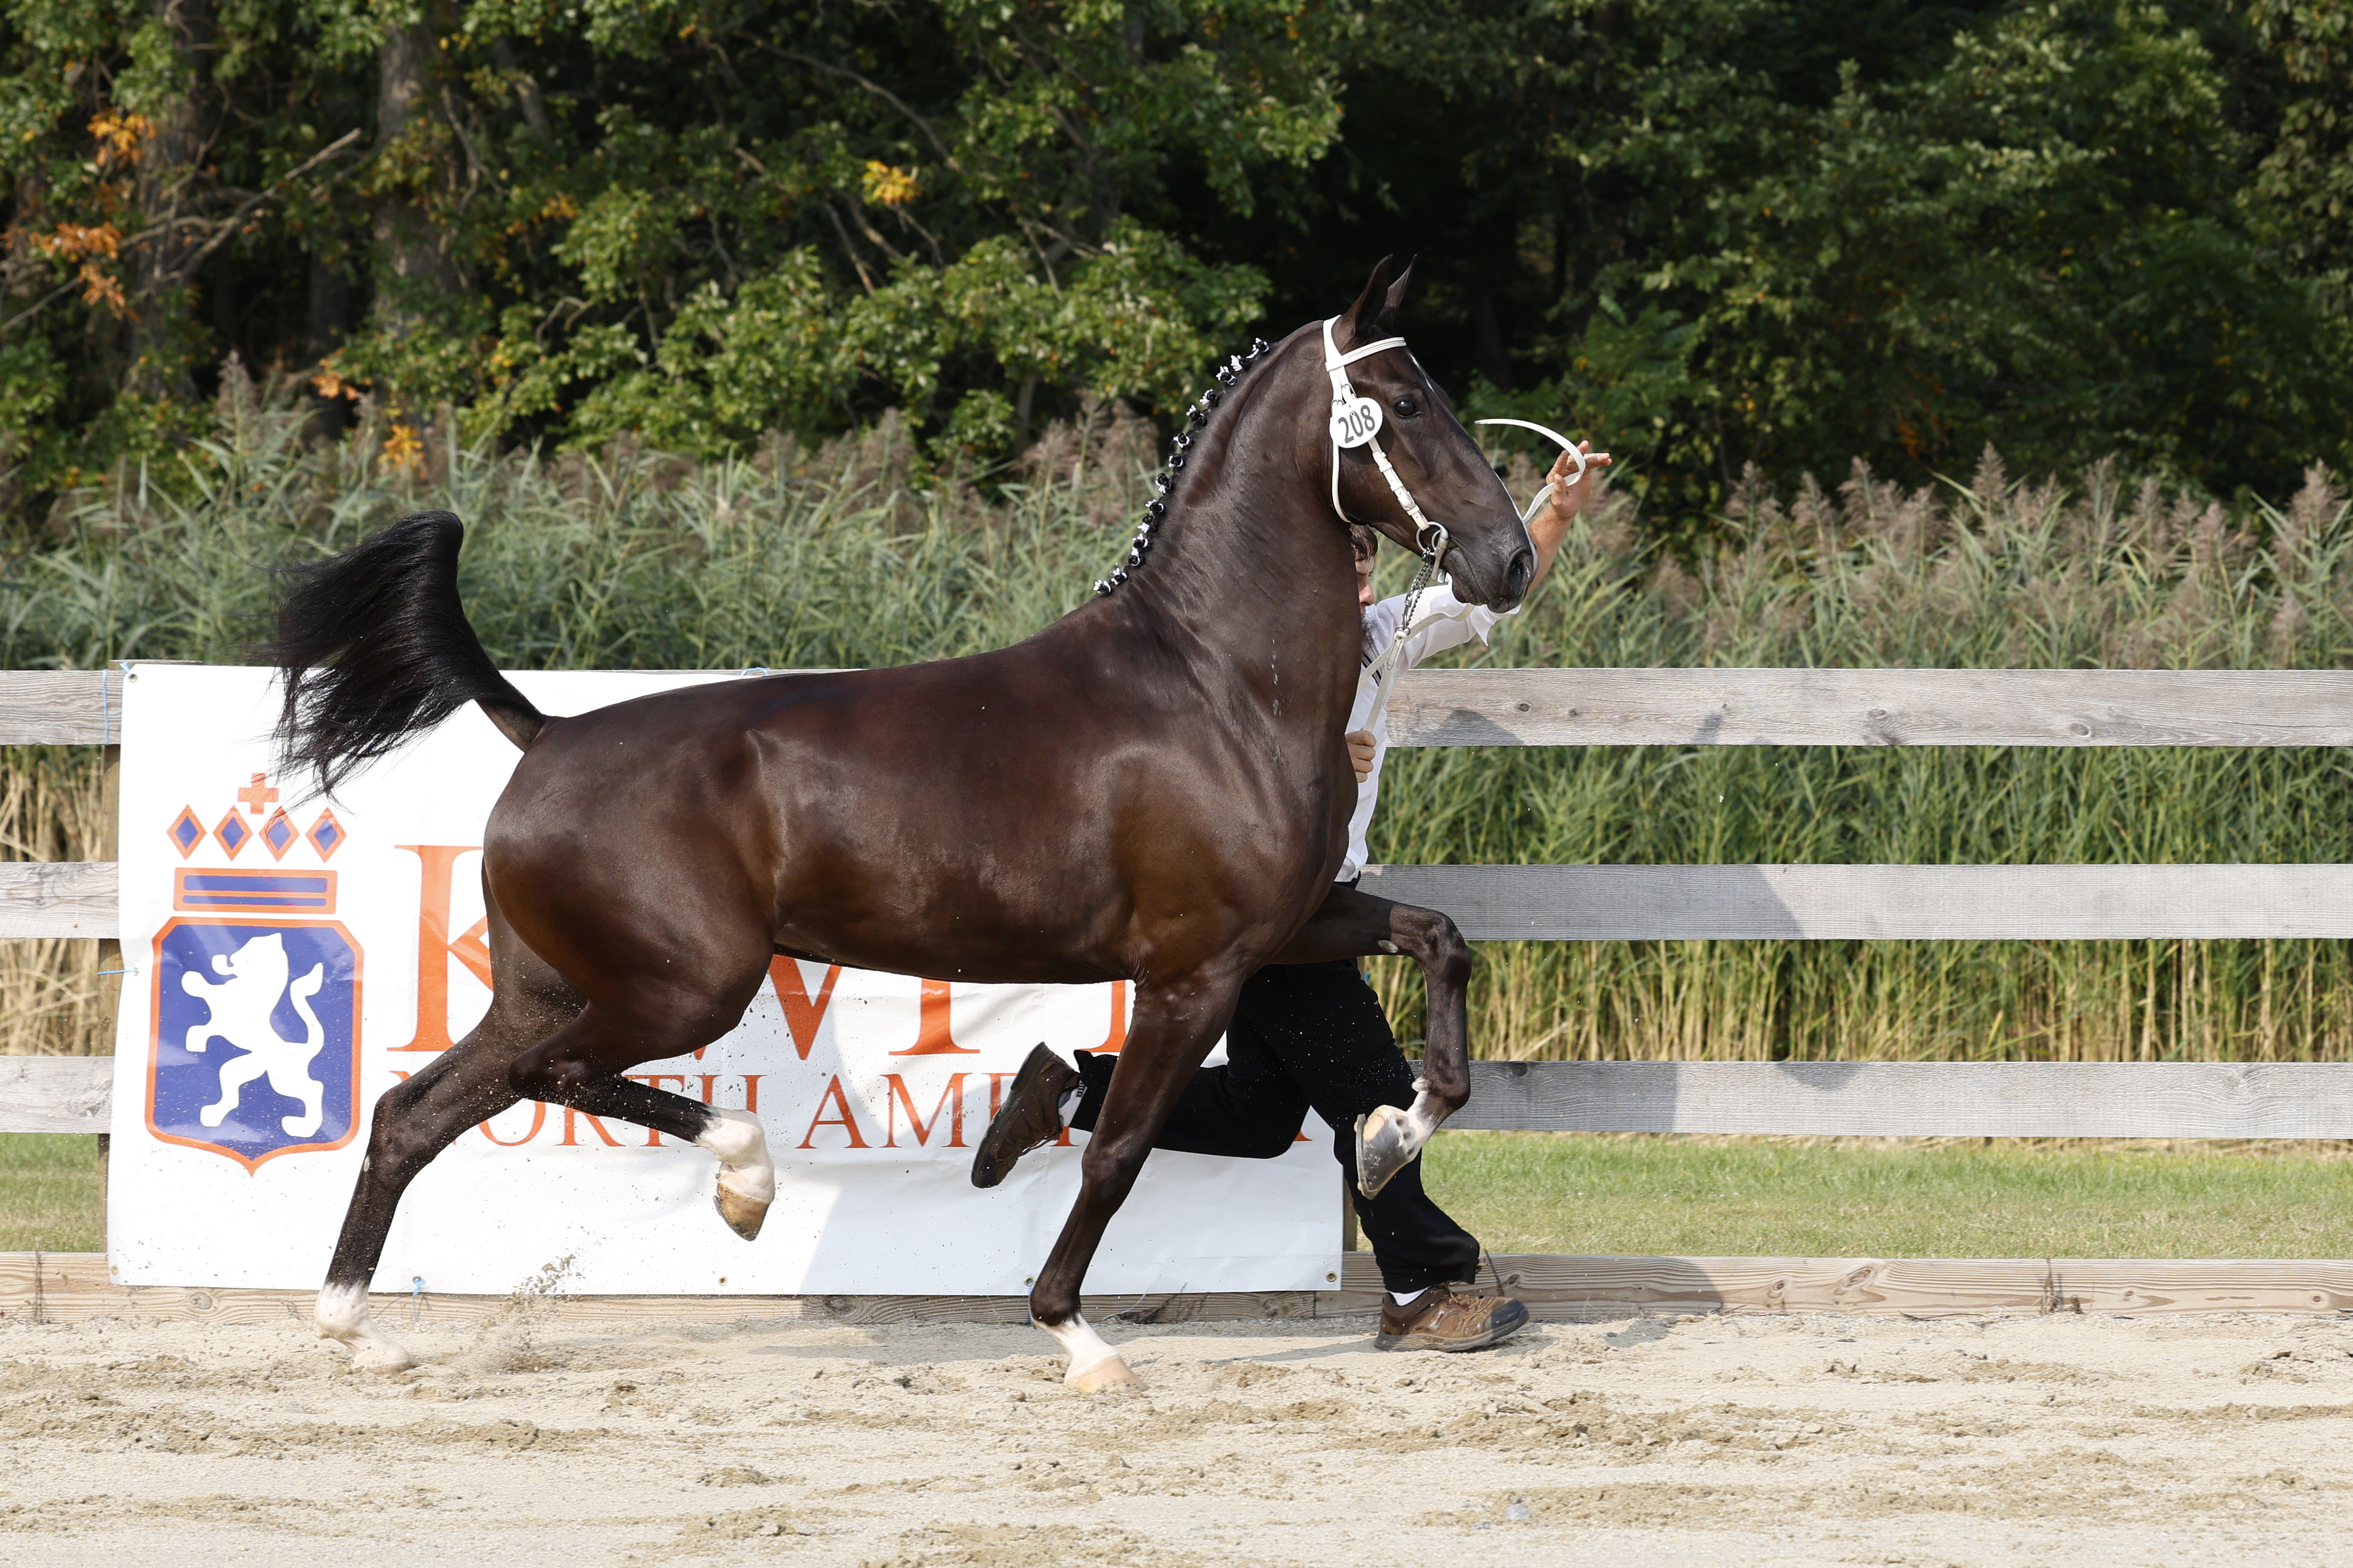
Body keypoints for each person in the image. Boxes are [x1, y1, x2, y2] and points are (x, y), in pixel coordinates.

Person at [974, 437, 1611, 1351]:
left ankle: (1071, 1093)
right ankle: (1420, 1293)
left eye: (1364, 563)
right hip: (1272, 907)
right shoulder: (1249, 657)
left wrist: (1556, 512)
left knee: (1260, 1117)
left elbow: (1493, 592)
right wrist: (1318, 763)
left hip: (1327, 902)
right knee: (1375, 1100)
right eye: (1339, 561)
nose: (1355, 580)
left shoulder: (1384, 635)